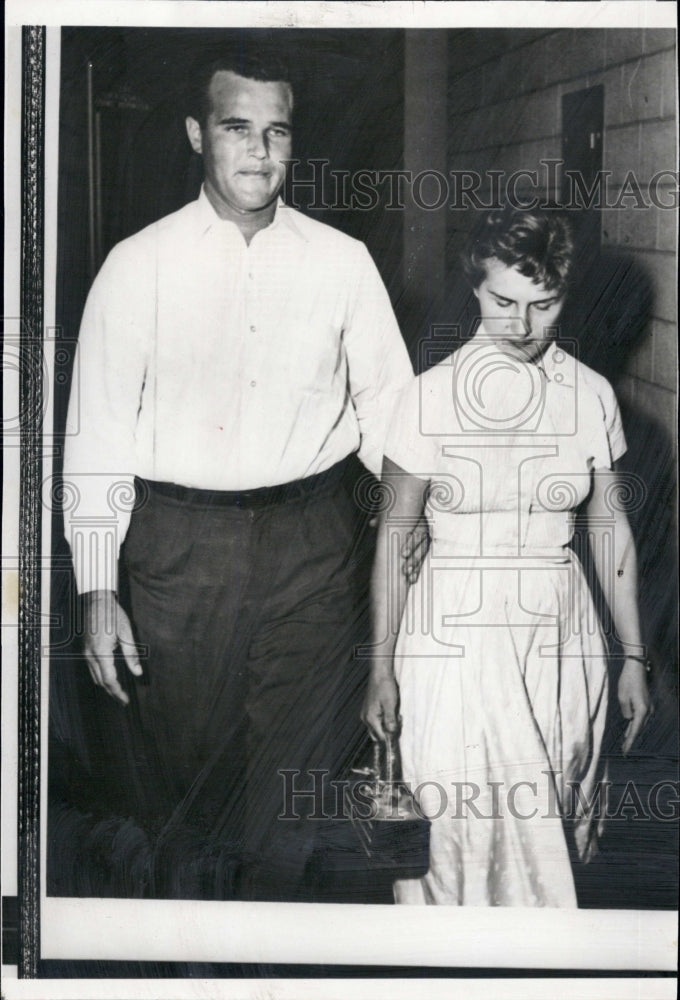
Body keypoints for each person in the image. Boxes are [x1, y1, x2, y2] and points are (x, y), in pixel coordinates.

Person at [62, 47, 412, 901]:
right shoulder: (136, 266)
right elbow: (97, 432)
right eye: (236, 128)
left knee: (296, 792)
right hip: (180, 555)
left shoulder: (343, 262)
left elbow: (399, 423)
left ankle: (275, 951)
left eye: (277, 131)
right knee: (192, 791)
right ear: (196, 135)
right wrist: (97, 587)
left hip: (314, 546)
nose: (259, 151)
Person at [362, 204, 653, 906]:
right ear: (474, 287)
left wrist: (634, 657)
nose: (521, 326)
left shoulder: (590, 395)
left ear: (565, 295)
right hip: (452, 635)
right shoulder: (427, 398)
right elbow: (395, 534)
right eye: (503, 302)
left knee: (549, 818)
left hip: (559, 633)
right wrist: (379, 668)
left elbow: (610, 528)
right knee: (456, 839)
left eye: (543, 304)